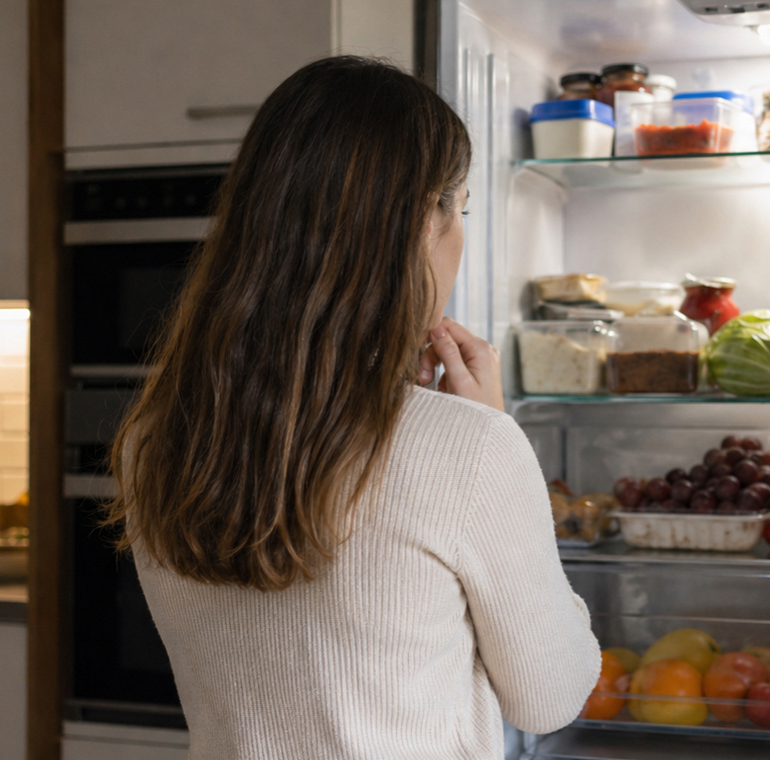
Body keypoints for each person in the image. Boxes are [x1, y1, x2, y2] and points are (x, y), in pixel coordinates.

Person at [106, 56, 600, 759]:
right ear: (420, 225)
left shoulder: (152, 438)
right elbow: (550, 697)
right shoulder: (471, 448)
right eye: (458, 207)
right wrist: (487, 431)